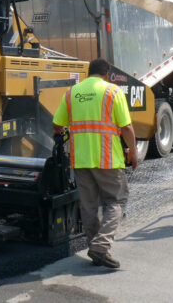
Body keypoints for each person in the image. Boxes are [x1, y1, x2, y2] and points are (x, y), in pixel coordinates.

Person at [52, 58, 137, 269]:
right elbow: (126, 128)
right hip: (108, 158)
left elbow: (57, 124)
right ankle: (101, 245)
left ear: (87, 73)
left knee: (88, 206)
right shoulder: (113, 92)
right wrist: (133, 151)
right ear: (106, 74)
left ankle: (95, 249)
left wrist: (60, 132)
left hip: (81, 159)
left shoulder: (72, 93)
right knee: (116, 202)